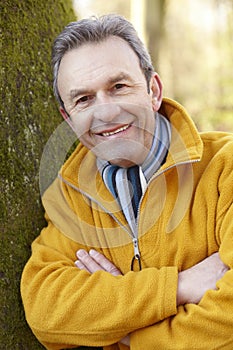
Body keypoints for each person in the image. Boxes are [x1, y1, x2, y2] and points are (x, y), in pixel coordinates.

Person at [21, 14, 233, 350]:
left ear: (153, 90)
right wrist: (177, 287)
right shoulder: (70, 196)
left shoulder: (225, 167)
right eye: (84, 99)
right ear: (68, 118)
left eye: (118, 87)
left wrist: (128, 336)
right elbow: (46, 308)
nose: (105, 113)